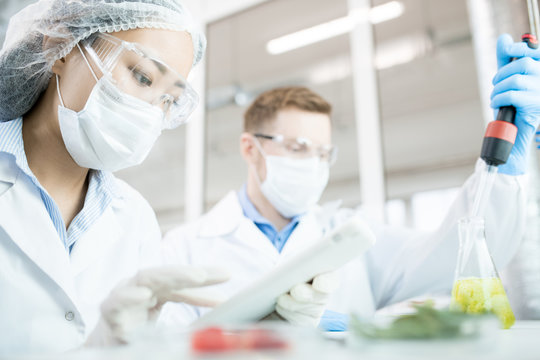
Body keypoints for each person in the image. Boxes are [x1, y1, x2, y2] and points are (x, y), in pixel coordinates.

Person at [160, 34, 540, 331]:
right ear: (250, 148)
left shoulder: (353, 236)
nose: (314, 164)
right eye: (298, 147)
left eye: (323, 153)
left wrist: (502, 174)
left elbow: (455, 256)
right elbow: (161, 347)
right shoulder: (186, 247)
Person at [0, 0, 317, 355]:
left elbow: (144, 348)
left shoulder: (135, 217)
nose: (150, 110)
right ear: (60, 47)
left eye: (168, 100)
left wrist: (257, 337)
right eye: (142, 76)